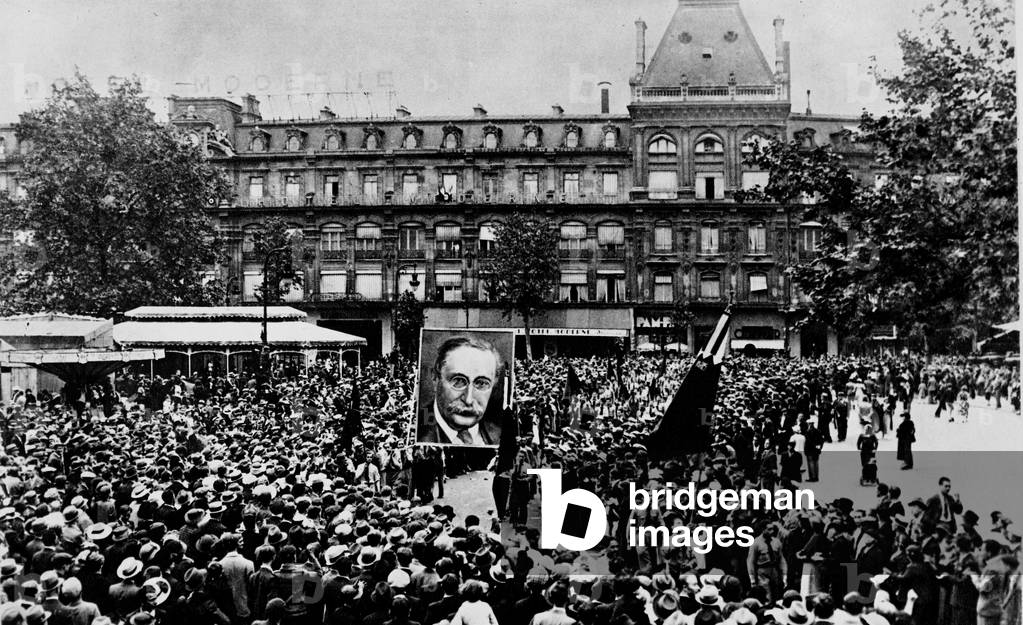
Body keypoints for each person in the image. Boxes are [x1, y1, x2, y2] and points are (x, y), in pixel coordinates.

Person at [417, 336, 504, 446]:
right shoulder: (416, 431)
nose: (468, 400)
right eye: (458, 381)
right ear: (435, 378)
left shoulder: (502, 436)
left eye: (482, 383)